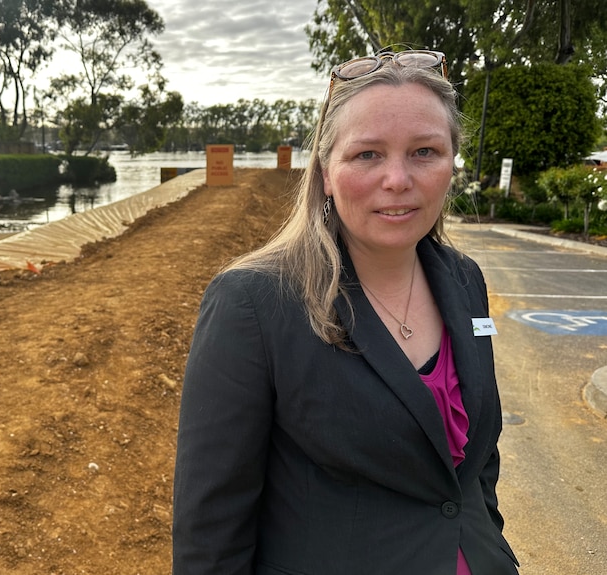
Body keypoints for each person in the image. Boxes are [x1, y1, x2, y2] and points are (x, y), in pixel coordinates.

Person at [172, 50, 519, 575]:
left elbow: (476, 465)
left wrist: (488, 545)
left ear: (452, 163)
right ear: (326, 173)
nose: (398, 179)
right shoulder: (253, 305)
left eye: (425, 151)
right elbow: (211, 536)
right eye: (367, 155)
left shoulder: (464, 280)